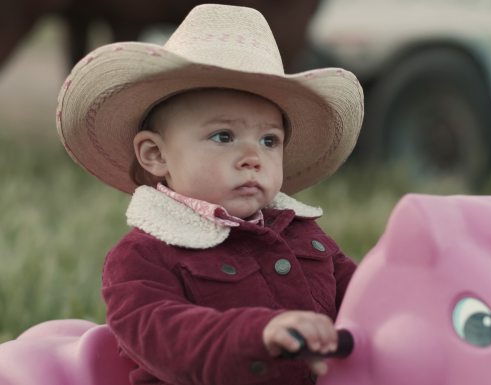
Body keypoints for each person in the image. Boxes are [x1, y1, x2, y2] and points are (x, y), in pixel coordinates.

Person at [55, 4, 364, 384]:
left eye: (269, 140)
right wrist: (258, 334)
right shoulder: (141, 258)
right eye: (223, 136)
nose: (253, 157)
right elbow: (165, 335)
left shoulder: (305, 237)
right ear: (155, 155)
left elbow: (367, 299)